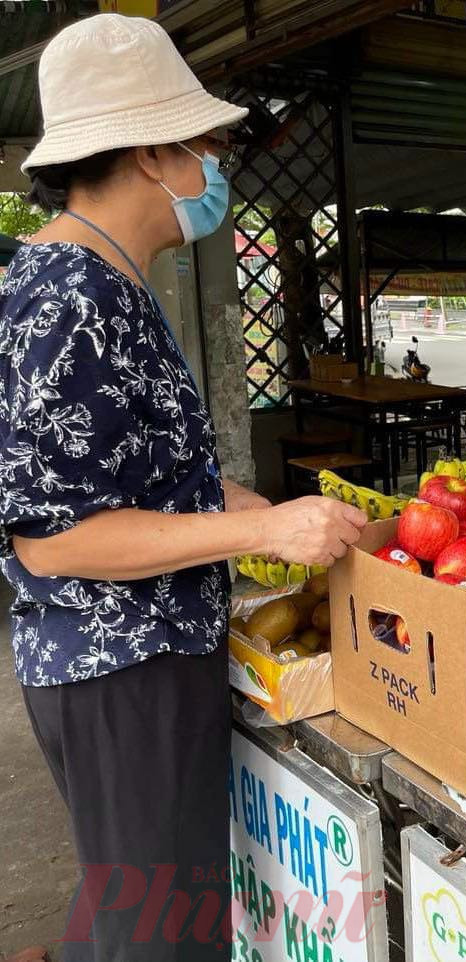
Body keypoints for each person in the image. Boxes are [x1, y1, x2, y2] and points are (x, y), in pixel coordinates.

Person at [0, 15, 366, 962]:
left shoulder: (113, 281)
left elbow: (147, 479)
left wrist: (247, 507)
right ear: (153, 152)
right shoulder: (68, 300)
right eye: (207, 144)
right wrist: (263, 536)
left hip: (143, 661)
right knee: (161, 935)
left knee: (135, 896)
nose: (217, 164)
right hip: (119, 672)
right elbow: (56, 538)